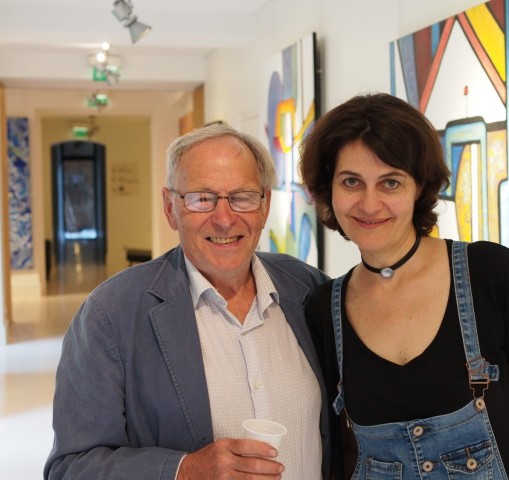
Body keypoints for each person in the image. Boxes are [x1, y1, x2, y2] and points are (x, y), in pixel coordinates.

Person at [299, 92, 509, 479]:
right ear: (329, 190)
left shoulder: (488, 273)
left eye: (390, 183)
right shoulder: (323, 310)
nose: (369, 204)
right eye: (351, 181)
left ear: (419, 188)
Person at [44, 124, 332, 479]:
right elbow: (71, 467)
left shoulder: (307, 289)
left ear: (264, 205)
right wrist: (183, 470)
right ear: (170, 207)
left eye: (242, 196)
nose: (224, 219)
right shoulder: (110, 314)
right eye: (201, 198)